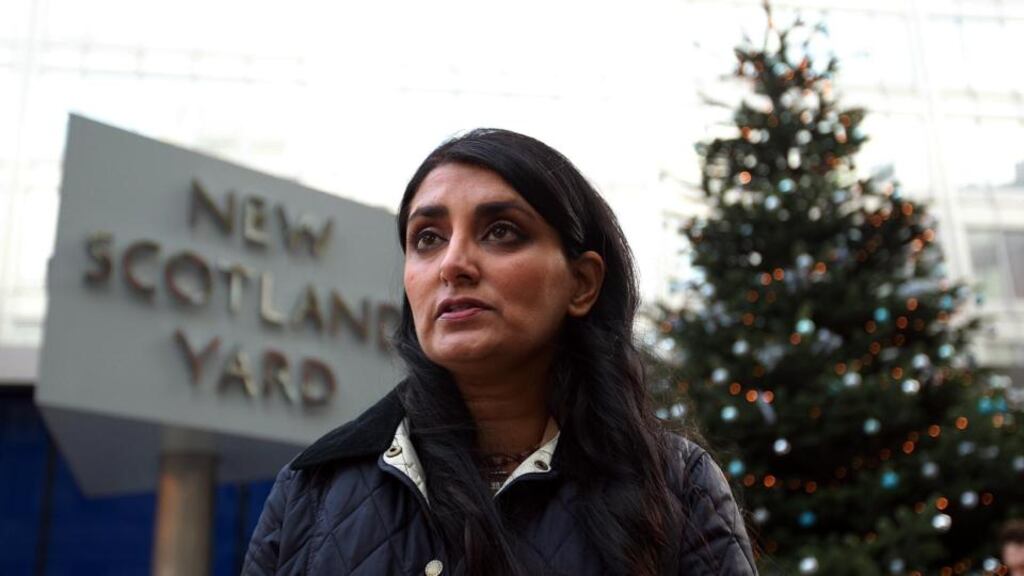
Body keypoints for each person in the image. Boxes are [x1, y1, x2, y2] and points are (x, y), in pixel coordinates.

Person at [242, 128, 757, 575]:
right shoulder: (310, 491)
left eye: (501, 231)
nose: (453, 264)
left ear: (582, 283)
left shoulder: (676, 487)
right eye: (427, 238)